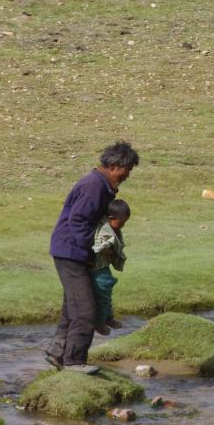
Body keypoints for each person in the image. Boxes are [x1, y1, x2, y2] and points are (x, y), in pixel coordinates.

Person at [44, 141, 138, 374]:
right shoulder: (94, 186)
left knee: (72, 306)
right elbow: (78, 221)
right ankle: (75, 362)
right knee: (86, 309)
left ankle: (57, 353)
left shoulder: (100, 184)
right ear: (116, 166)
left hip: (72, 251)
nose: (128, 175)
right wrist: (96, 248)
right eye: (128, 170)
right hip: (71, 252)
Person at [91, 199, 130, 336]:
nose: (123, 226)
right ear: (111, 218)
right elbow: (98, 248)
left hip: (103, 266)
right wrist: (110, 250)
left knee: (108, 292)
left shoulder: (110, 226)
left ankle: (109, 317)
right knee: (103, 292)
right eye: (121, 223)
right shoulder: (105, 231)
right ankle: (100, 323)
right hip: (96, 268)